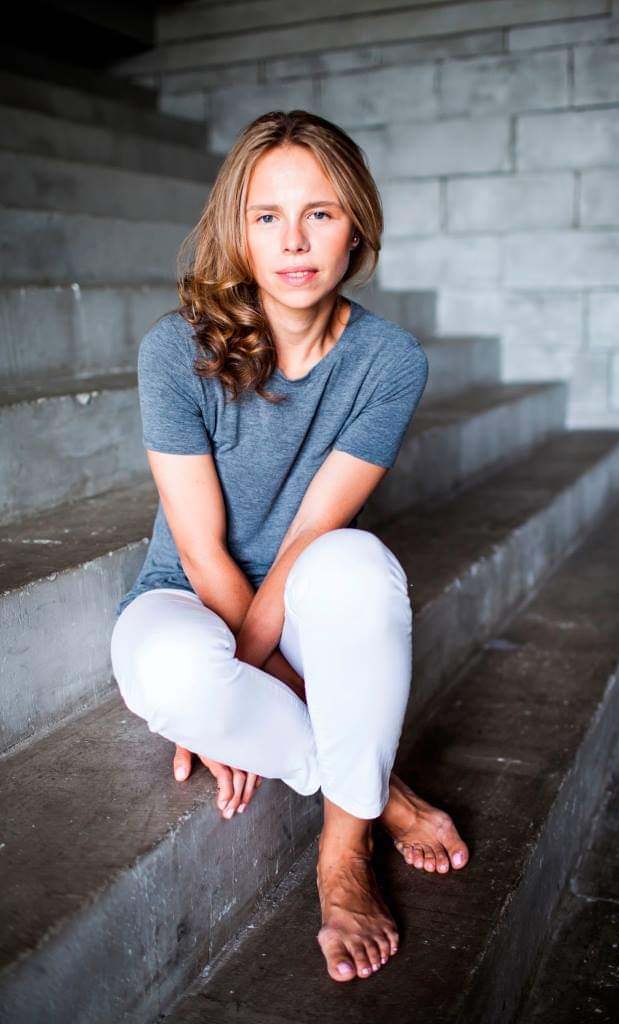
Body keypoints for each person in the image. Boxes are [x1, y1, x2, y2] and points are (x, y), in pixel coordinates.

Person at [110, 109, 469, 984]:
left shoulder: (388, 361)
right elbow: (201, 551)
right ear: (238, 230)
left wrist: (245, 700)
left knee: (356, 568)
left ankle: (343, 855)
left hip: (312, 587)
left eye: (320, 213)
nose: (294, 241)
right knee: (174, 676)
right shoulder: (175, 349)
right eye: (267, 215)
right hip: (186, 586)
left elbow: (312, 534)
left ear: (356, 227)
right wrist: (215, 696)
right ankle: (382, 793)